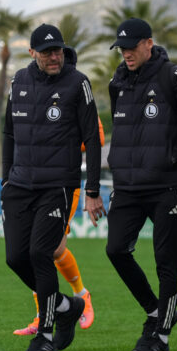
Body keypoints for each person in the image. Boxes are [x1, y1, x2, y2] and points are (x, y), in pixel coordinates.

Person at [1, 23, 105, 351]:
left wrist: (91, 190)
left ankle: (45, 335)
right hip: (19, 185)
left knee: (40, 254)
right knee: (15, 258)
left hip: (57, 186)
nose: (53, 57)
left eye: (57, 50)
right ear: (32, 53)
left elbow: (92, 138)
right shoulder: (18, 81)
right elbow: (9, 134)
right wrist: (5, 180)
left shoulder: (78, 83)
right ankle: (66, 307)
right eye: (46, 52)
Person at [105, 18, 177, 351]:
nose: (126, 53)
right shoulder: (117, 82)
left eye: (132, 47)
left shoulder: (174, 77)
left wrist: (174, 157)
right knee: (115, 250)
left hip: (166, 186)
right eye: (122, 48)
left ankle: (160, 337)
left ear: (149, 43)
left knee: (166, 262)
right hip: (128, 187)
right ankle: (157, 310)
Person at [13, 118, 106, 336]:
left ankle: (81, 295)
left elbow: (97, 137)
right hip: (31, 182)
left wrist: (58, 139)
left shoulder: (74, 92)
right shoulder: (29, 94)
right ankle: (43, 314)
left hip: (62, 182)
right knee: (29, 251)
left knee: (51, 249)